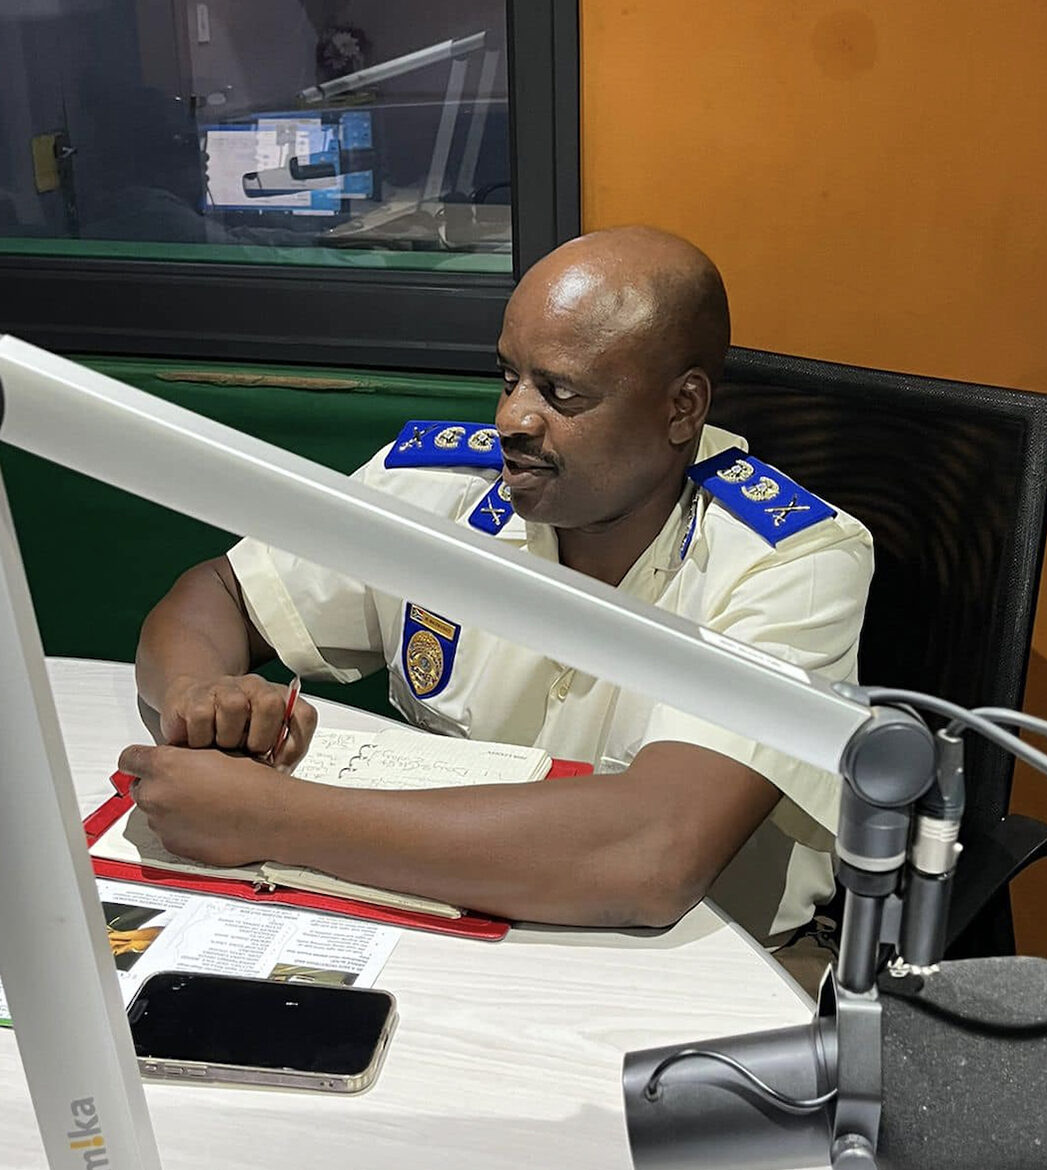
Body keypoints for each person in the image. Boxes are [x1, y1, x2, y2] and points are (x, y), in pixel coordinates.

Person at [125, 225, 873, 943]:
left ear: (683, 409)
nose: (513, 417)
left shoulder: (790, 564)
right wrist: (199, 692)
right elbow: (221, 594)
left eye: (561, 394)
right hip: (435, 915)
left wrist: (271, 817)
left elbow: (653, 855)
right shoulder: (441, 492)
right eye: (510, 377)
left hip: (700, 969)